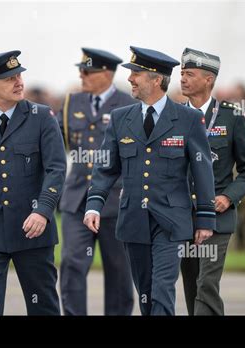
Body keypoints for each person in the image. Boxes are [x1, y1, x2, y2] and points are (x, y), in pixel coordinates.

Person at [84, 46, 216, 315]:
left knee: (162, 289)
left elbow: (203, 170)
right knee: (145, 292)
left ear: (157, 80)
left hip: (171, 220)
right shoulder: (121, 118)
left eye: (137, 73)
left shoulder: (189, 119)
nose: (130, 79)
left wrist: (205, 218)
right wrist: (94, 204)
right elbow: (106, 168)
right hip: (133, 218)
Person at [0, 50, 67, 315]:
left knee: (43, 305)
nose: (19, 82)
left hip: (33, 230)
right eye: (10, 78)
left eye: (19, 75)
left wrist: (43, 210)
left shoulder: (42, 117)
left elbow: (56, 168)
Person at [179, 47, 245, 315]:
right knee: (191, 287)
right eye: (181, 73)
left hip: (217, 218)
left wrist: (228, 196)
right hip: (182, 217)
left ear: (208, 79)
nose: (182, 78)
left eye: (189, 73)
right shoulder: (173, 115)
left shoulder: (232, 116)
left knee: (206, 285)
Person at [57, 48, 135, 315]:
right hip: (77, 199)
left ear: (106, 74)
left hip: (115, 200)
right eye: (80, 69)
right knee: (71, 263)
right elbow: (56, 144)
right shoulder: (71, 103)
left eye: (87, 71)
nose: (82, 75)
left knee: (119, 271)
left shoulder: (130, 104)